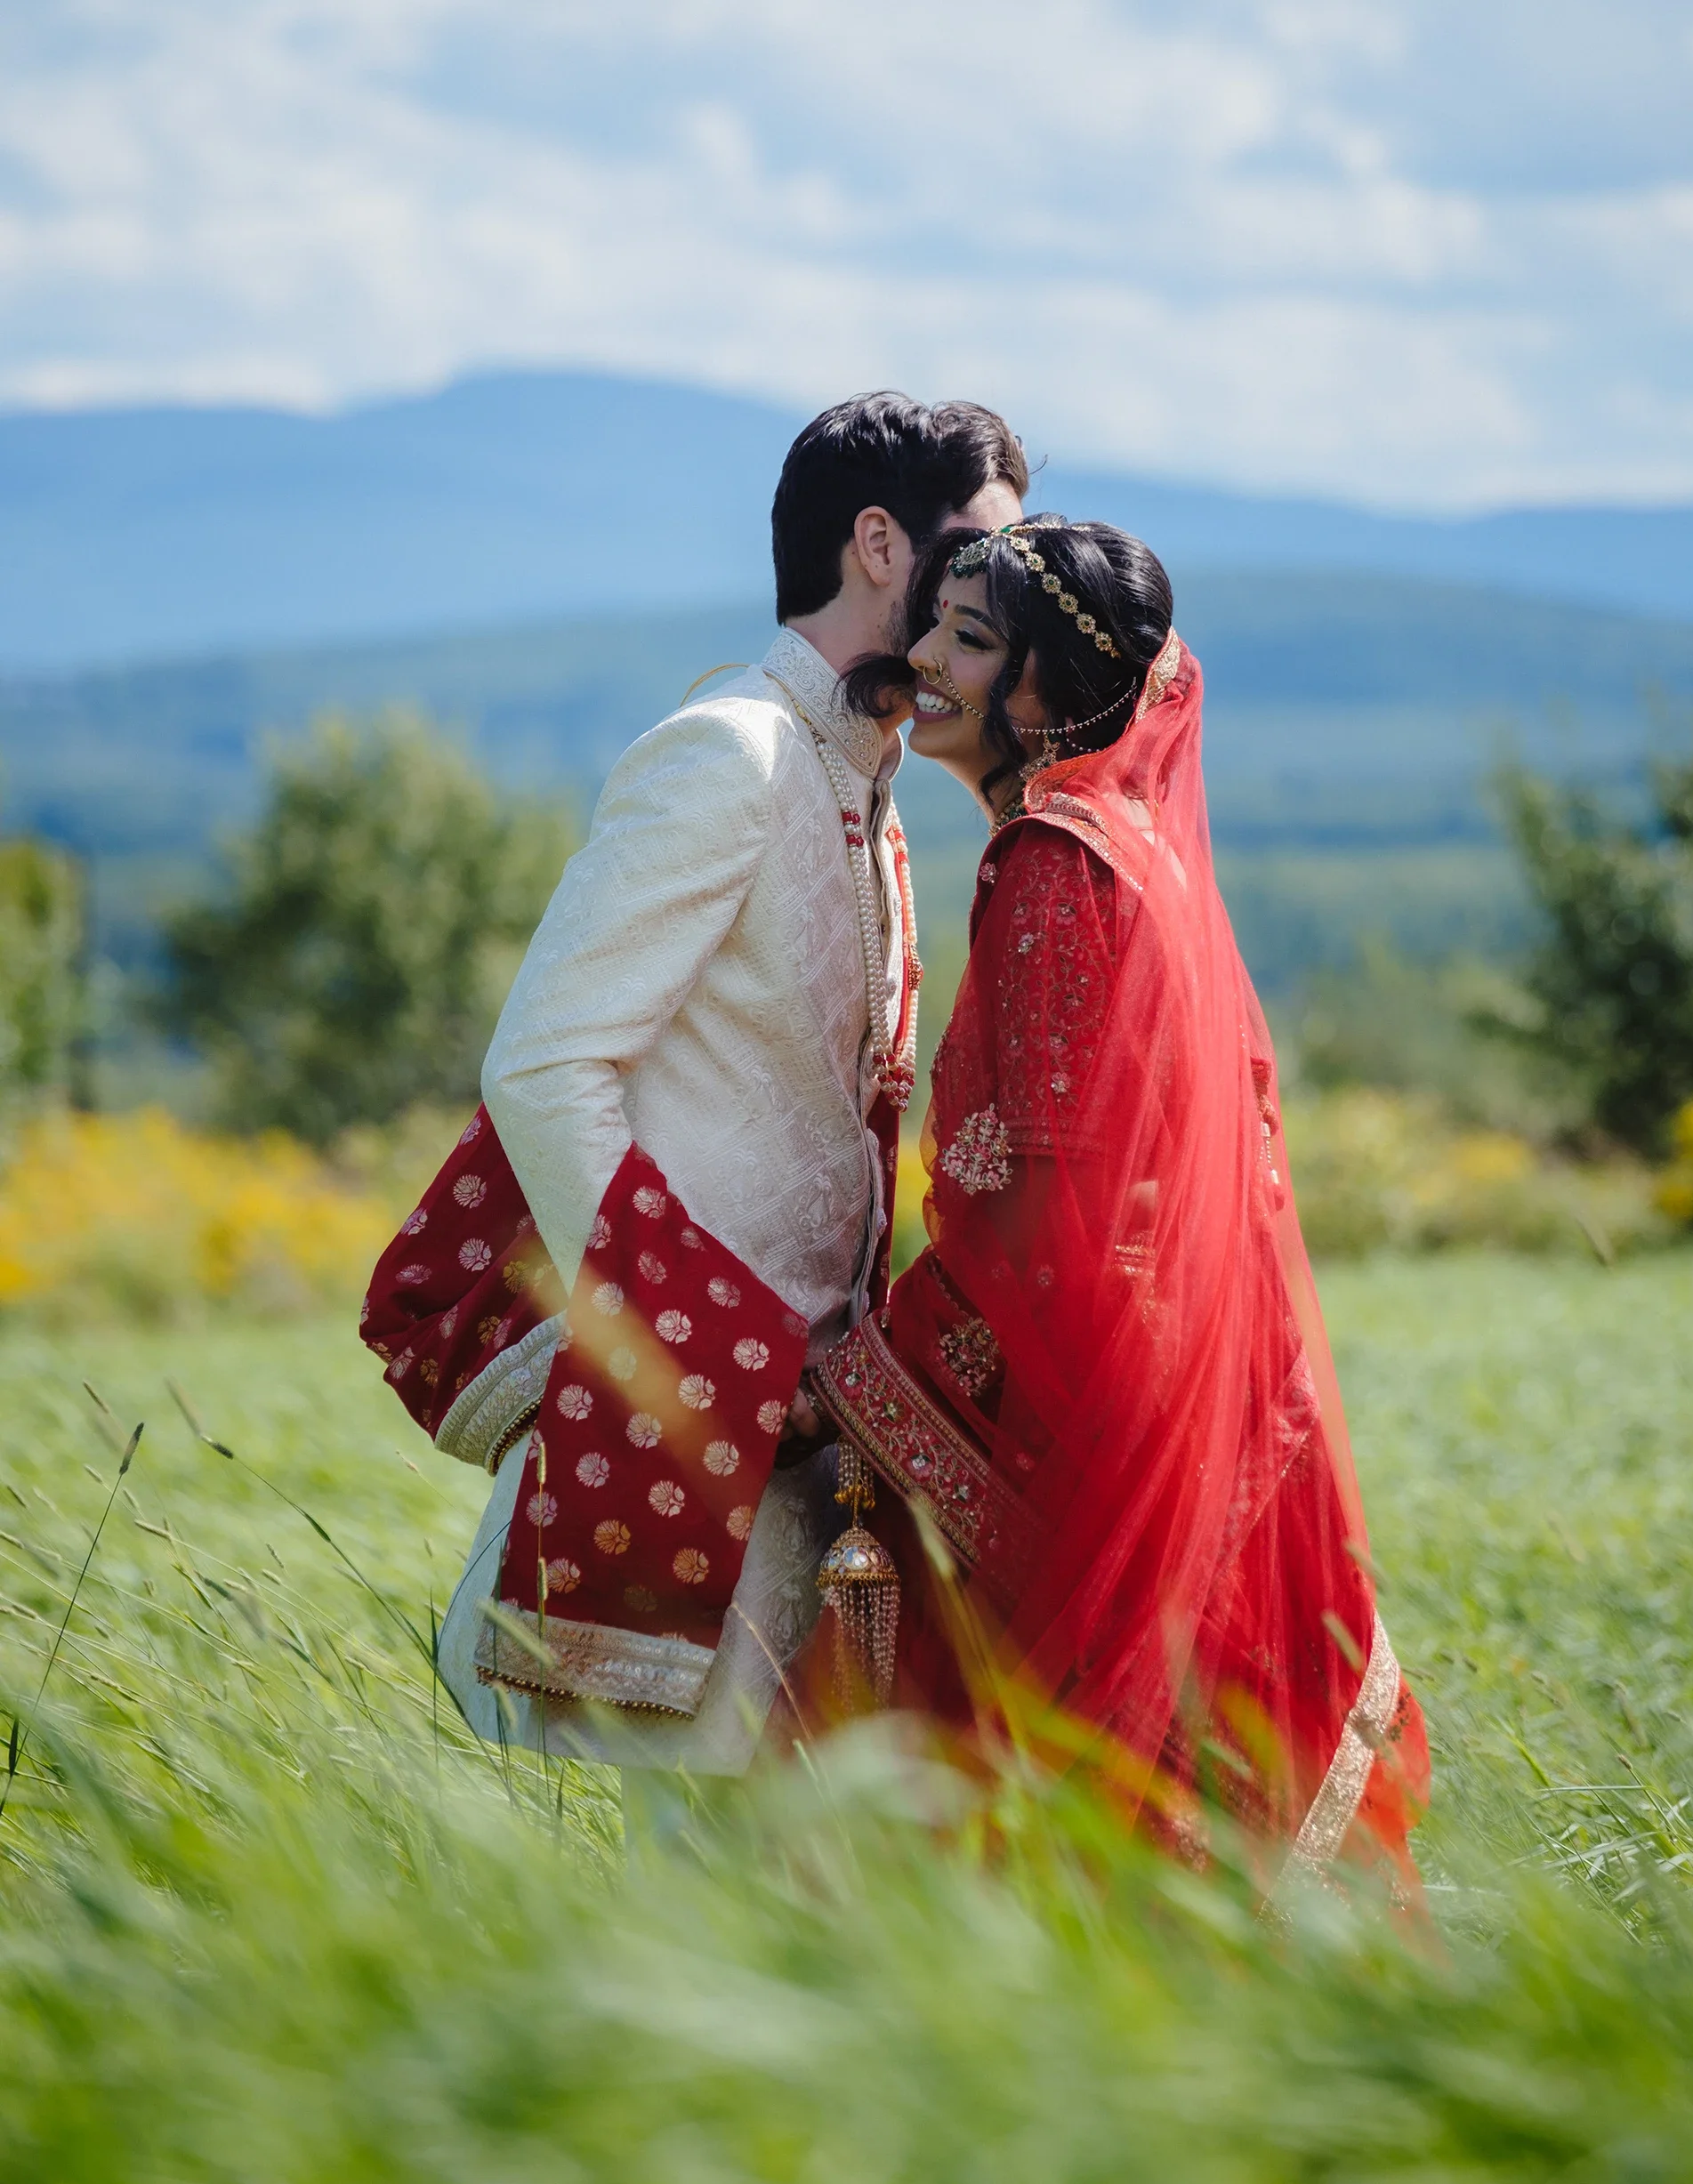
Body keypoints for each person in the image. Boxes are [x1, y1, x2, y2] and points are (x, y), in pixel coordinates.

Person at [360, 392, 1027, 1795]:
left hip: (803, 1447)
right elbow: (542, 1064)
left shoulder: (868, 782)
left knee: (782, 1904)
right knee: (677, 1900)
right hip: (684, 1421)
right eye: (979, 549)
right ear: (878, 548)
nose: (1000, 590)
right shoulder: (732, 752)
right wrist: (695, 1331)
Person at [792, 516, 1429, 1898]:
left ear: (1046, 692)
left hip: (1074, 1391)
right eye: (933, 627)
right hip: (1176, 1376)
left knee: (964, 1755)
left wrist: (875, 1368)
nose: (924, 661)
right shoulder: (1132, 846)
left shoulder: (1050, 868)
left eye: (969, 639)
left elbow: (1048, 1192)